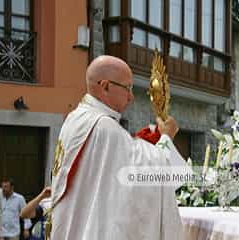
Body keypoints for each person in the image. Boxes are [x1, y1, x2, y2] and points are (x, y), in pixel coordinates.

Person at [51, 55, 190, 240]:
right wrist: (167, 137)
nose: (131, 97)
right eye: (128, 88)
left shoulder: (77, 118)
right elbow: (150, 174)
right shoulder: (103, 127)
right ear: (106, 86)